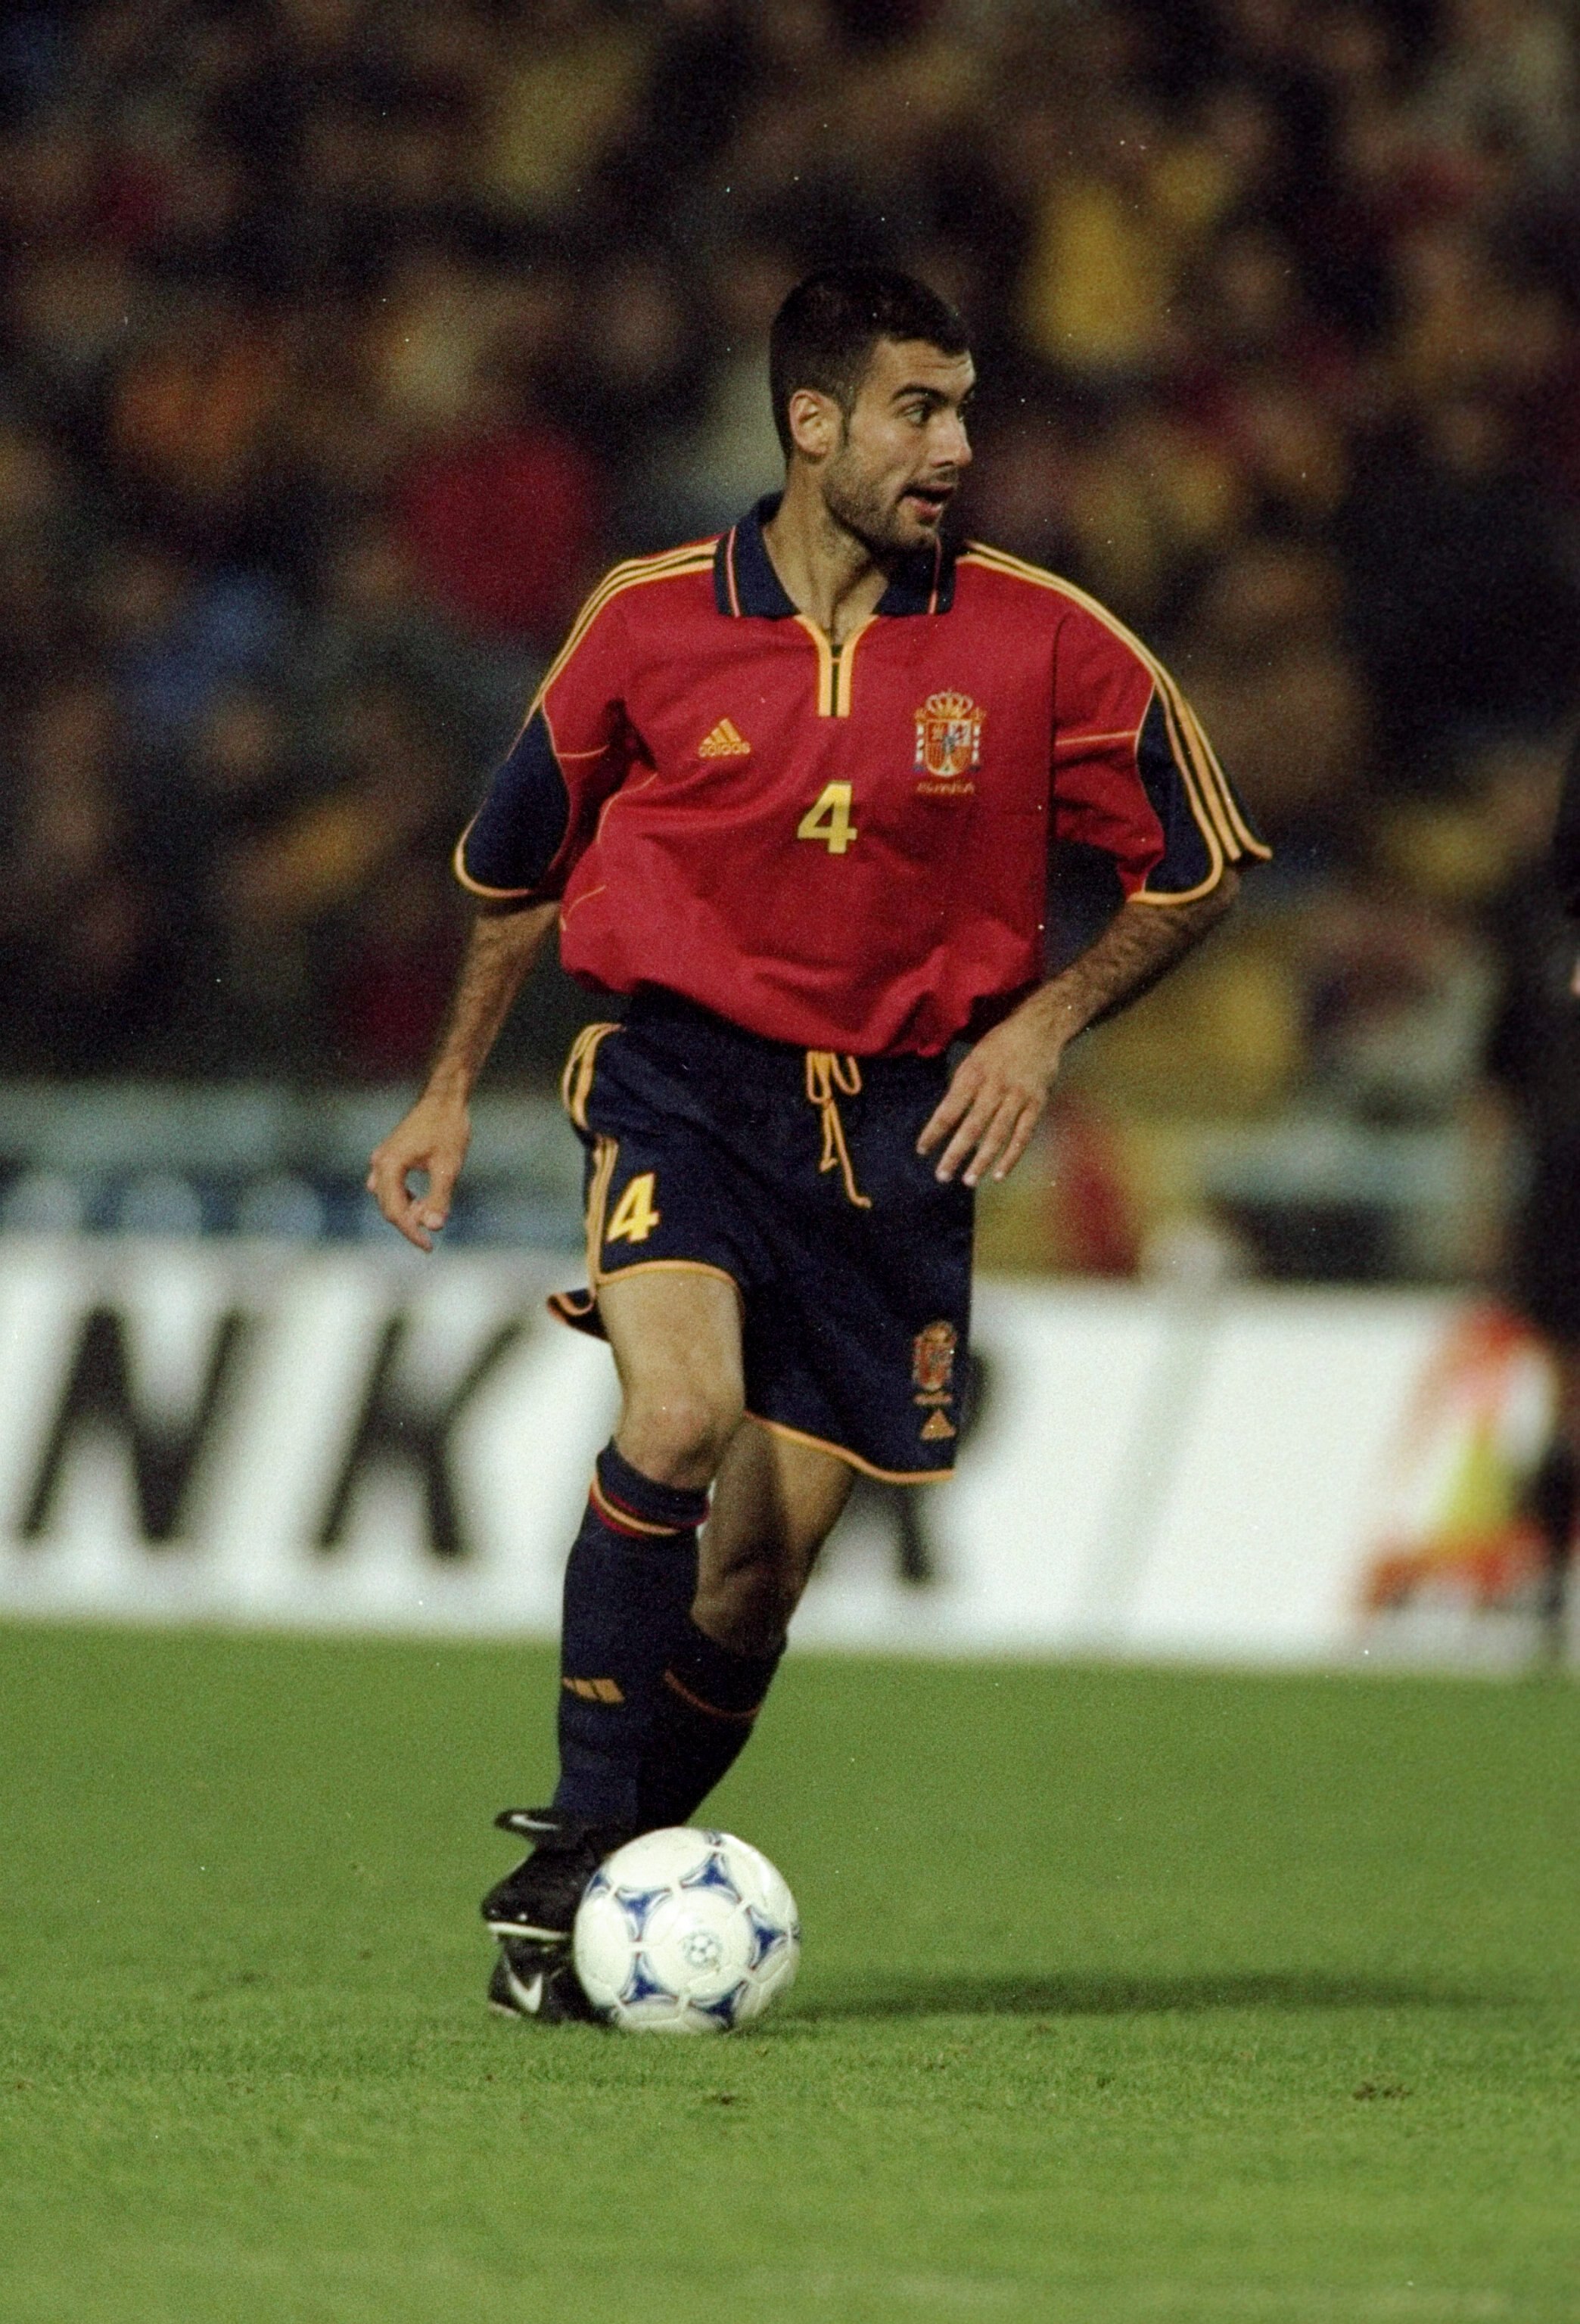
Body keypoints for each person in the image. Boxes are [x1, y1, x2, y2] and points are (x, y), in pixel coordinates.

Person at [367, 267, 1268, 2021]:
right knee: (681, 1414)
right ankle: (573, 1858)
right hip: (682, 1081)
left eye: (966, 411)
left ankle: (602, 1894)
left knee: (764, 1575)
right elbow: (513, 868)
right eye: (920, 411)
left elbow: (1203, 859)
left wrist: (1046, 1017)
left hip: (905, 1129)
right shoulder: (644, 623)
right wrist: (449, 1086)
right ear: (812, 422)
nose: (957, 448)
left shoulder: (1042, 642)